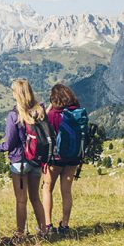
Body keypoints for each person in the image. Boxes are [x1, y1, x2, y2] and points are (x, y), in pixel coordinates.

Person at [0, 79, 47, 239]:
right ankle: (44, 230)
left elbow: (10, 142)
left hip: (19, 162)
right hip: (36, 160)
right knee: (35, 198)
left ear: (17, 94)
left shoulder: (14, 115)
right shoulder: (39, 111)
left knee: (21, 200)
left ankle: (20, 234)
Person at [42, 84, 82, 235]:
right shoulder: (77, 112)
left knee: (47, 188)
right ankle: (65, 225)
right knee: (66, 191)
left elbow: (42, 129)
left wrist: (47, 109)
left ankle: (48, 224)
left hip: (55, 158)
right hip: (73, 157)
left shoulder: (52, 115)